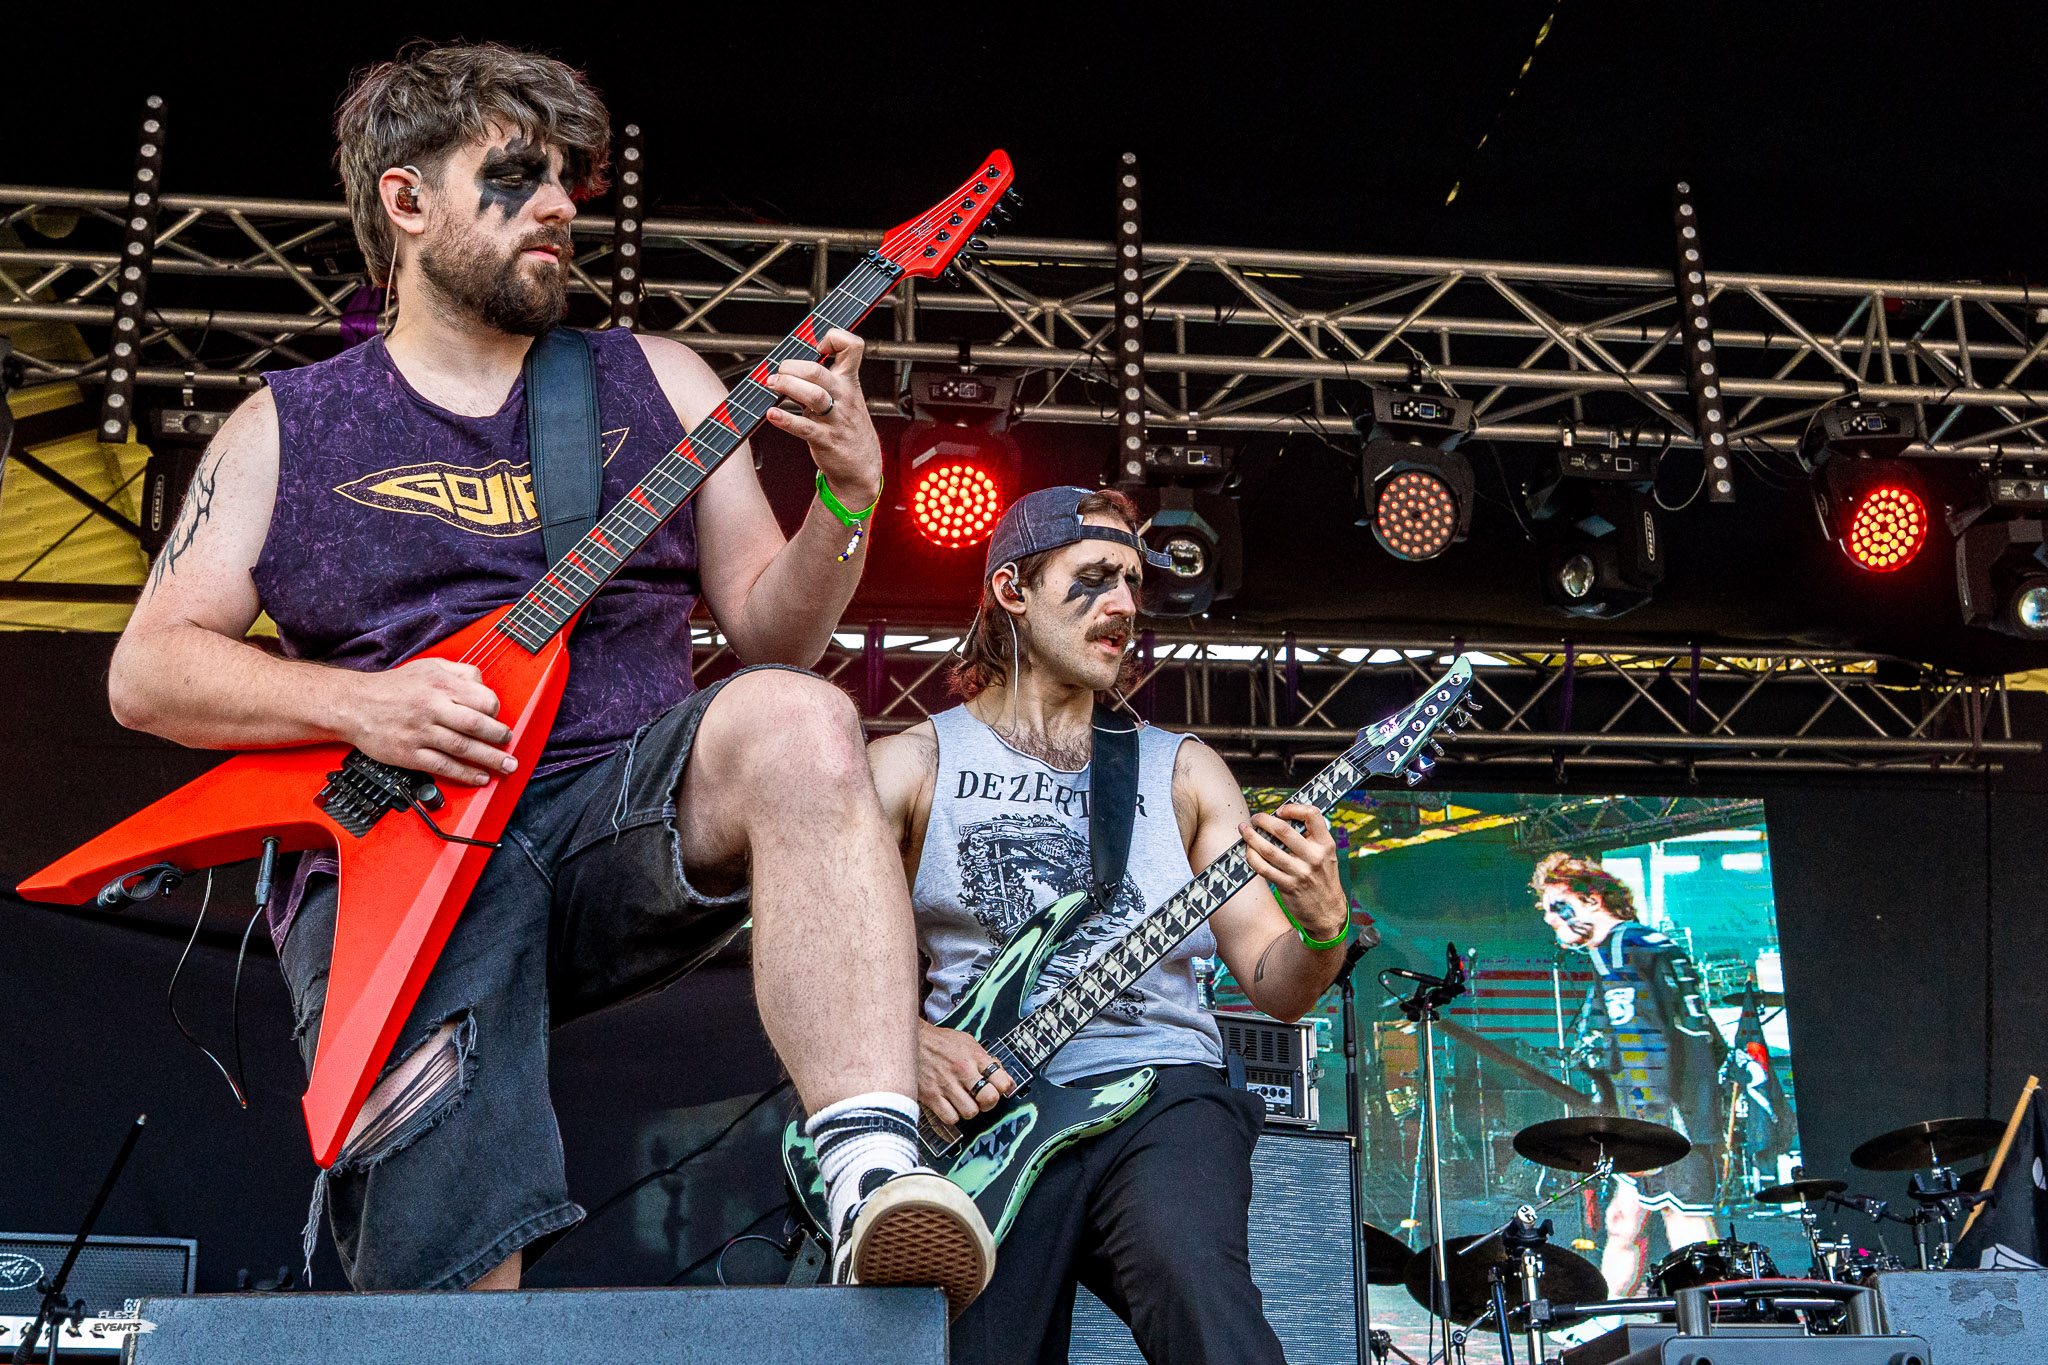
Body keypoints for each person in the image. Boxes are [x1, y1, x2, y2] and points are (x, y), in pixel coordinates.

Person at [105, 42, 990, 1310]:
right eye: (516, 178)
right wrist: (367, 705)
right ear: (407, 200)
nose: (560, 206)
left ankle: (870, 1168)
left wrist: (847, 503)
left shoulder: (656, 381)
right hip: (400, 850)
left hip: (608, 811)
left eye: (569, 181)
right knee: (454, 1285)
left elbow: (774, 636)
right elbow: (149, 671)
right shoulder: (286, 425)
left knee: (799, 718)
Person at [866, 486, 1375, 1364]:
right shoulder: (911, 765)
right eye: (1096, 577)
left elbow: (1275, 982)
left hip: (1160, 1094)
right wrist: (902, 1038)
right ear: (1012, 590)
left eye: (1134, 582)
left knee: (1199, 1295)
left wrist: (1325, 929)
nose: (1126, 604)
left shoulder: (1181, 770)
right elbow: (810, 951)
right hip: (985, 1119)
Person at [1533, 852, 1723, 1297]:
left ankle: (1714, 1319)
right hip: (1662, 1111)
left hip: (1664, 1117)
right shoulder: (1645, 943)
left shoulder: (1619, 952)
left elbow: (1644, 1044)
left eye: (1556, 905)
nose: (1548, 918)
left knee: (1686, 1223)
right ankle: (1607, 1314)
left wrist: (1649, 1130)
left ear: (1592, 900)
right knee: (1622, 1222)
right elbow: (1708, 1038)